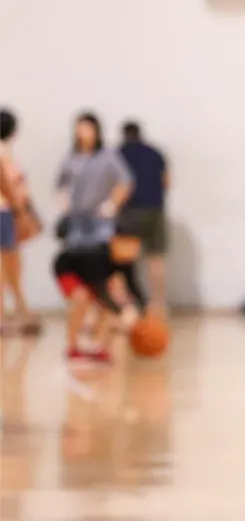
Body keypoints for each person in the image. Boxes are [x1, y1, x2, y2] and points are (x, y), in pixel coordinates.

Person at [55, 112, 135, 361]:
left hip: (100, 234)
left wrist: (112, 204)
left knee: (108, 293)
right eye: (80, 129)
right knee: (81, 295)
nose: (83, 133)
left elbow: (126, 182)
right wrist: (63, 201)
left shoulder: (108, 157)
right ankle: (74, 345)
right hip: (76, 234)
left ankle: (101, 344)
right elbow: (60, 184)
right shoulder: (71, 158)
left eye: (88, 129)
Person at [54, 218, 148, 362]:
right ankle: (72, 347)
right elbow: (101, 291)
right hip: (68, 268)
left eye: (136, 245)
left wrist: (144, 313)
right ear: (114, 241)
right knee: (82, 298)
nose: (132, 249)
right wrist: (122, 310)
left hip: (91, 278)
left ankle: (97, 347)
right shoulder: (99, 256)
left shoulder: (126, 262)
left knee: (109, 308)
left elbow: (134, 288)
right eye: (128, 244)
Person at [118, 120, 170, 315]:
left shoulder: (118, 154)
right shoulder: (155, 153)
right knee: (156, 257)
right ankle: (159, 304)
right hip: (155, 209)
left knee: (123, 260)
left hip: (129, 211)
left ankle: (128, 304)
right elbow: (166, 182)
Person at [0, 107, 39, 335]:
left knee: (10, 266)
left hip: (8, 211)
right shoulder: (2, 151)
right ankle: (14, 311)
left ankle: (18, 309)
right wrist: (19, 210)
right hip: (5, 212)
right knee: (9, 265)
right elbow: (5, 182)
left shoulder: (6, 151)